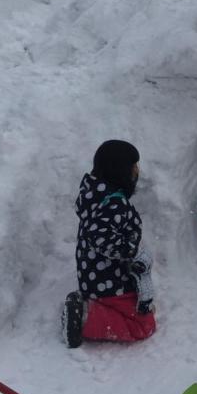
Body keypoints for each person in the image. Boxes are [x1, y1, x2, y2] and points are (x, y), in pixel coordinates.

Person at [61, 139, 156, 348]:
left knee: (143, 308)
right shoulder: (114, 203)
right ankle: (84, 318)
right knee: (143, 325)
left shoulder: (96, 193)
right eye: (133, 167)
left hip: (95, 274)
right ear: (120, 170)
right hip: (110, 281)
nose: (137, 171)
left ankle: (95, 306)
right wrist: (131, 251)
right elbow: (101, 238)